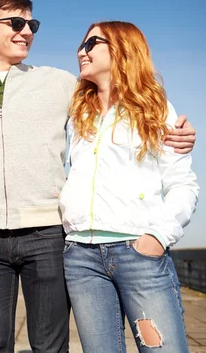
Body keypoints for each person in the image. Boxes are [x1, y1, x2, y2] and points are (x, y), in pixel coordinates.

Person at [0, 0, 197, 353]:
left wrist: (180, 133)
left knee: (54, 345)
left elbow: (135, 103)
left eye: (32, 24)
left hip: (55, 235)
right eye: (16, 23)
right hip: (10, 242)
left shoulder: (63, 85)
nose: (26, 31)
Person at [60, 21, 199, 352]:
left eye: (92, 43)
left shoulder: (155, 110)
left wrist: (157, 238)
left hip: (138, 254)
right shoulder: (77, 113)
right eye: (81, 44)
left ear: (122, 49)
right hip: (81, 257)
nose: (82, 50)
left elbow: (183, 184)